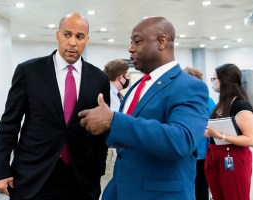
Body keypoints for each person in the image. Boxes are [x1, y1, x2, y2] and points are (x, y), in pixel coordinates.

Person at [78, 16, 209, 200]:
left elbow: (181, 140)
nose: (130, 48)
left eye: (137, 41)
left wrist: (113, 121)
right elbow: (126, 140)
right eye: (131, 42)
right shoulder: (136, 87)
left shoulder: (190, 87)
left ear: (162, 42)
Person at [0, 12, 110, 200]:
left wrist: (98, 168)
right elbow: (10, 123)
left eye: (79, 37)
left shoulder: (99, 79)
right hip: (34, 176)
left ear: (86, 40)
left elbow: (101, 132)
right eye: (67, 34)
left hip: (81, 178)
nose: (72, 42)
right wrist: (1, 169)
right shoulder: (29, 71)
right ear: (58, 36)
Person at [204, 63, 253, 200]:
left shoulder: (240, 106)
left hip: (233, 158)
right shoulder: (221, 104)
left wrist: (221, 135)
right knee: (218, 196)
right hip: (215, 156)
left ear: (225, 81)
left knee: (235, 195)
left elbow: (250, 140)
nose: (213, 83)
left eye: (214, 79)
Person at [184, 67, 216, 200]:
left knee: (199, 187)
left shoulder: (208, 101)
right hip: (189, 153)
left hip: (200, 154)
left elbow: (213, 127)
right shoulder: (208, 101)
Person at [101, 59, 130, 190]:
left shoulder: (117, 95)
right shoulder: (108, 95)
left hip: (116, 149)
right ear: (120, 77)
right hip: (110, 151)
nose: (128, 78)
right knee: (108, 187)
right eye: (127, 75)